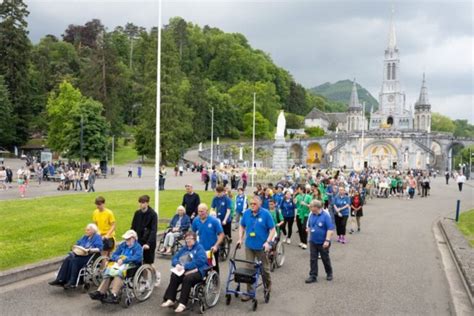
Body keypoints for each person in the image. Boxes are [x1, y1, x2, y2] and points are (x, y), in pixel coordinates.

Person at [237, 195, 275, 300]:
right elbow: (242, 225)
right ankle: (250, 292)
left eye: (254, 204)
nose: (252, 206)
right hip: (249, 245)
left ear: (260, 204)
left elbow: (272, 229)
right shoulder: (247, 213)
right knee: (249, 268)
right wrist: (240, 238)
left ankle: (268, 285)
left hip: (262, 246)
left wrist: (268, 242)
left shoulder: (266, 214)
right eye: (251, 204)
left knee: (264, 269)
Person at [89, 230, 143, 303]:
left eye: (128, 239)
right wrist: (118, 258)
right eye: (126, 239)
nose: (126, 240)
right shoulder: (123, 244)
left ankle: (114, 294)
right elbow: (114, 254)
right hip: (119, 263)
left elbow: (137, 257)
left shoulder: (138, 247)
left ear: (133, 238)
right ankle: (100, 292)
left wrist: (124, 260)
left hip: (132, 265)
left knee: (118, 273)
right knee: (108, 271)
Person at [161, 231, 209, 313]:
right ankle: (171, 299)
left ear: (194, 239)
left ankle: (182, 303)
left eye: (190, 239)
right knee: (174, 275)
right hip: (184, 270)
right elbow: (175, 258)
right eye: (186, 239)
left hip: (198, 271)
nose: (188, 241)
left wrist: (185, 266)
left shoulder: (199, 248)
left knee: (187, 278)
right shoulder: (184, 248)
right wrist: (177, 264)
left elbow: (200, 261)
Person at [49, 223, 103, 289]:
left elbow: (99, 248)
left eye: (88, 230)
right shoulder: (85, 237)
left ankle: (72, 281)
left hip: (89, 256)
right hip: (80, 254)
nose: (86, 231)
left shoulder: (97, 237)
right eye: (86, 230)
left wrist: (89, 250)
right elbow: (78, 243)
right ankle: (60, 279)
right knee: (68, 259)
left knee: (75, 261)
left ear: (93, 231)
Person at [305, 200, 334, 283]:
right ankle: (313, 275)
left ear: (316, 207)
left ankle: (329, 273)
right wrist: (308, 229)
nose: (310, 208)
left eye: (311, 207)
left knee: (325, 258)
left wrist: (327, 240)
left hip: (323, 242)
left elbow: (330, 229)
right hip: (313, 241)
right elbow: (310, 225)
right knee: (313, 259)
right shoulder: (311, 215)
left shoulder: (326, 216)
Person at [192, 203, 224, 273]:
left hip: (212, 249)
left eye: (202, 211)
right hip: (201, 249)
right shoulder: (196, 220)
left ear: (207, 211)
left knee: (214, 267)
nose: (200, 213)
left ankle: (216, 281)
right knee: (201, 266)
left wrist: (216, 246)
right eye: (199, 211)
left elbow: (221, 234)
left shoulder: (214, 221)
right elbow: (192, 233)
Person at [131, 195, 158, 264]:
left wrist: (148, 243)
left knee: (148, 263)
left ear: (147, 203)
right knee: (138, 261)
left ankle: (154, 273)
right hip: (139, 240)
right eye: (140, 202)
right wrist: (131, 237)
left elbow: (153, 230)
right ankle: (143, 275)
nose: (141, 204)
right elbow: (133, 227)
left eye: (143, 202)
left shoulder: (153, 214)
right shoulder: (137, 213)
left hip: (148, 241)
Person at [295, 185, 312, 249]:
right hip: (299, 214)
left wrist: (305, 204)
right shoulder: (297, 196)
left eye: (298, 189)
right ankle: (301, 241)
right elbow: (296, 205)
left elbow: (311, 205)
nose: (297, 190)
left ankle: (305, 242)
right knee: (299, 228)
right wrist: (295, 202)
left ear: (302, 189)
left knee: (304, 228)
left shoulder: (308, 197)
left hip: (306, 214)